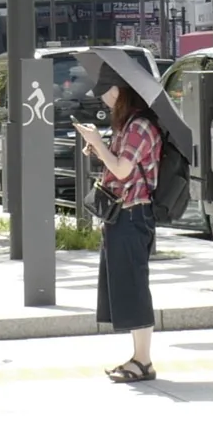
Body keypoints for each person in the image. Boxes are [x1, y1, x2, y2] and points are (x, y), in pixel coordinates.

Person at [75, 78, 161, 383]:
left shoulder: (140, 127)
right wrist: (98, 148)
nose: (104, 101)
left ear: (120, 91)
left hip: (133, 214)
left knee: (135, 285)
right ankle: (139, 358)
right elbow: (117, 167)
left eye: (107, 93)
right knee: (126, 285)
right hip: (121, 215)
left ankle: (144, 361)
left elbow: (123, 170)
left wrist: (99, 144)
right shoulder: (128, 126)